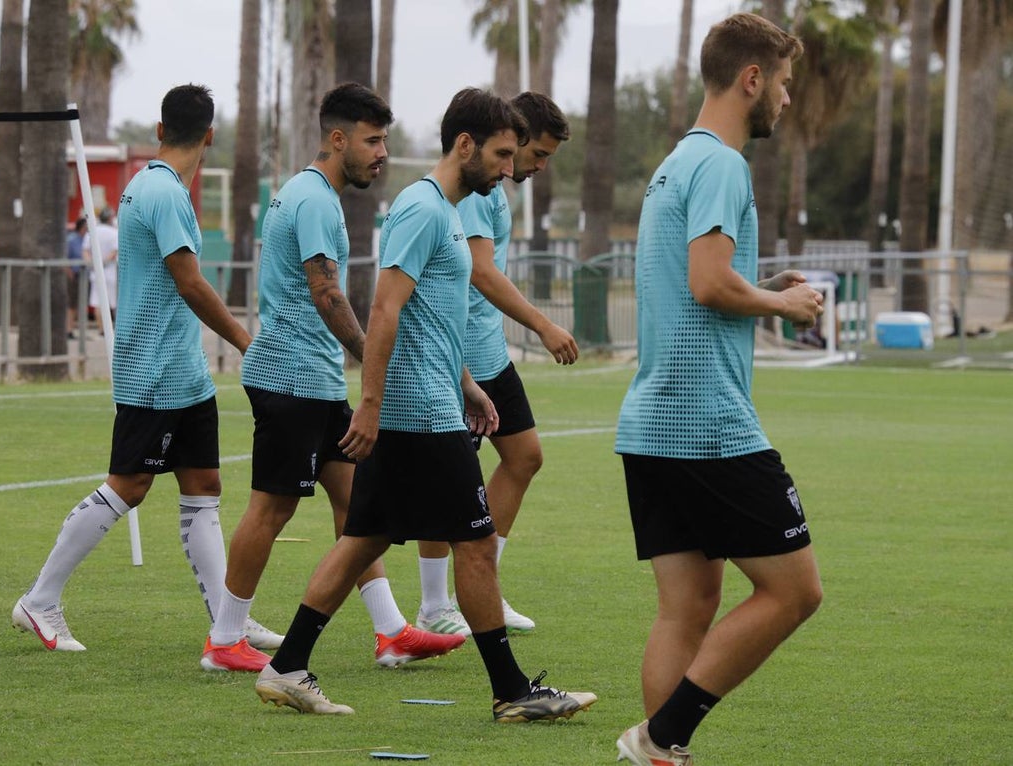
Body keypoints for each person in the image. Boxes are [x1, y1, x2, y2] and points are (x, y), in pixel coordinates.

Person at [253, 87, 596, 722]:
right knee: (473, 542)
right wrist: (372, 405)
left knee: (362, 538)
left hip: (435, 400)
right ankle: (513, 692)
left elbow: (429, 318)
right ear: (464, 145)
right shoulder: (423, 209)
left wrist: (467, 381)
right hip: (418, 415)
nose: (506, 167)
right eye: (499, 154)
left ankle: (286, 667)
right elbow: (385, 308)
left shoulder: (443, 210)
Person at [613, 14, 824, 765]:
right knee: (796, 592)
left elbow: (696, 281)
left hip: (650, 423)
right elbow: (706, 284)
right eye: (786, 83)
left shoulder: (676, 163)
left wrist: (760, 288)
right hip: (707, 424)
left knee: (688, 607)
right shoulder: (725, 165)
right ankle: (660, 737)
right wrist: (784, 306)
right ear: (752, 79)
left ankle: (661, 758)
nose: (788, 100)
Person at [205, 82, 464, 670]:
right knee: (271, 509)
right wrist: (374, 354)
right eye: (372, 141)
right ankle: (224, 640)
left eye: (385, 141)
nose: (381, 153)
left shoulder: (307, 192)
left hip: (314, 380)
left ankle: (392, 630)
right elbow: (327, 293)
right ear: (337, 138)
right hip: (290, 377)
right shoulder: (316, 198)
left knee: (357, 506)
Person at [12, 84, 260, 674]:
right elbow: (190, 281)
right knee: (130, 485)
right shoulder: (161, 190)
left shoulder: (160, 186)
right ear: (209, 135)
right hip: (151, 371)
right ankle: (39, 601)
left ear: (158, 128)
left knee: (204, 484)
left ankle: (230, 621)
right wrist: (249, 343)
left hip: (185, 370)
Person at [415, 92, 577, 637]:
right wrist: (544, 324)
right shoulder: (480, 188)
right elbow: (481, 272)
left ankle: (483, 586)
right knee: (441, 486)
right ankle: (437, 604)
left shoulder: (494, 189)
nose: (536, 167)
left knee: (524, 456)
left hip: (487, 353)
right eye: (540, 155)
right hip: (459, 357)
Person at [85, 207, 120, 334]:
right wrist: (104, 262)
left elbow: (85, 250)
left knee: (98, 302)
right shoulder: (114, 233)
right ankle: (113, 329)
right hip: (111, 271)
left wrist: (94, 263)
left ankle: (102, 329)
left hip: (95, 272)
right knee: (113, 301)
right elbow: (115, 251)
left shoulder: (92, 232)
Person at [66, 216, 87, 339]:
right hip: (74, 274)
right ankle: (69, 328)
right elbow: (66, 257)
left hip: (84, 275)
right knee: (72, 304)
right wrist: (69, 273)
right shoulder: (72, 240)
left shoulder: (86, 240)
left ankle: (78, 329)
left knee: (81, 303)